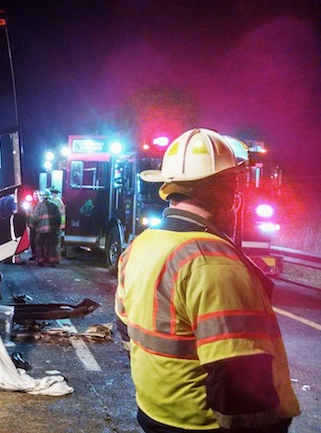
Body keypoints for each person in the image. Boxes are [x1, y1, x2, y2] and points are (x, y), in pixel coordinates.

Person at [115, 129, 300, 432]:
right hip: (202, 423)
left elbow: (125, 329)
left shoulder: (141, 244)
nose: (236, 196)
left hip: (155, 413)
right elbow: (237, 372)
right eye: (233, 184)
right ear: (220, 188)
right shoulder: (211, 261)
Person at [28, 189, 61, 267]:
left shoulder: (39, 206)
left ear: (42, 197)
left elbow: (35, 217)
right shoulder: (54, 206)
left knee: (39, 244)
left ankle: (40, 261)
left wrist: (30, 223)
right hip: (52, 230)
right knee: (52, 245)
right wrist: (56, 227)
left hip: (41, 230)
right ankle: (52, 261)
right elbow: (58, 219)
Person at [49, 187, 66, 258]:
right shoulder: (55, 200)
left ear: (54, 193)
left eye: (51, 193)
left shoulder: (57, 201)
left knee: (56, 242)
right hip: (58, 224)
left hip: (58, 224)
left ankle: (57, 257)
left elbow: (54, 212)